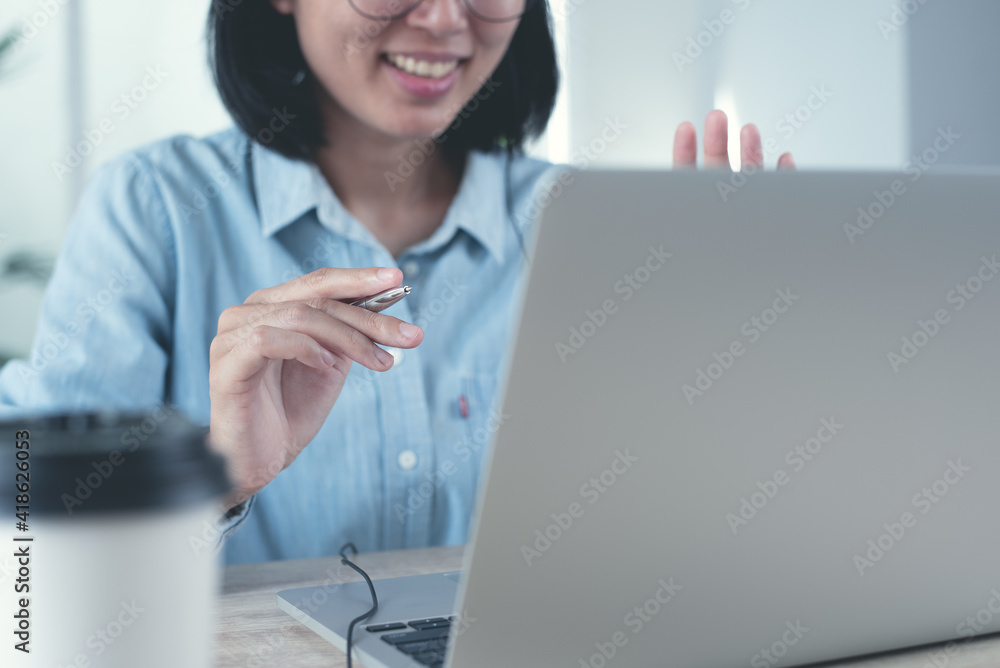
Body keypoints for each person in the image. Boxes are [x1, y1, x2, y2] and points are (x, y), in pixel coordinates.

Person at [0, 0, 793, 564]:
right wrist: (219, 477)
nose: (448, 18)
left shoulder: (588, 228)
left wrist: (737, 405)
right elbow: (27, 547)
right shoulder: (155, 208)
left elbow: (659, 552)